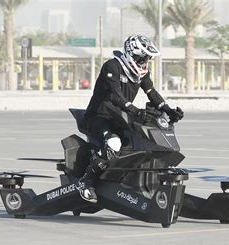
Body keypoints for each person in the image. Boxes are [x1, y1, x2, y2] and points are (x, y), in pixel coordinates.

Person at [79, 34, 184, 203]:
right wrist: (135, 110)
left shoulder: (141, 73)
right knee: (113, 143)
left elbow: (151, 92)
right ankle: (86, 182)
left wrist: (168, 109)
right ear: (131, 54)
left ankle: (135, 182)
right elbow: (115, 95)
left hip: (119, 117)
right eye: (142, 58)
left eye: (146, 58)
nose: (144, 62)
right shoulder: (112, 66)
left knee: (139, 141)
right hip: (99, 116)